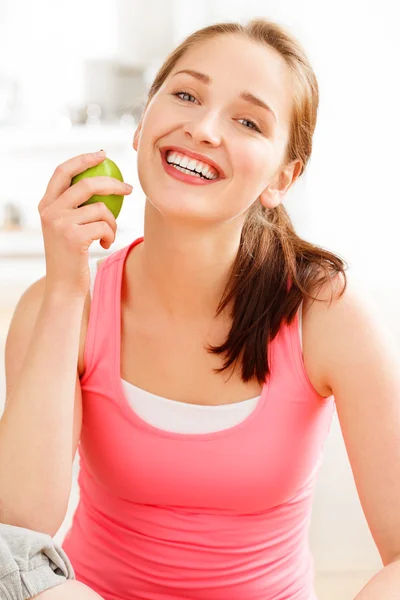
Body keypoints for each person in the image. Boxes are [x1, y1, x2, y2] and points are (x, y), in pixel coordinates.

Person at [1, 16, 400, 600]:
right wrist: (66, 288)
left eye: (247, 121)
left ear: (282, 177)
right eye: (185, 95)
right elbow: (17, 534)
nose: (204, 128)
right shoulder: (59, 303)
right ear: (143, 125)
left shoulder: (324, 312)